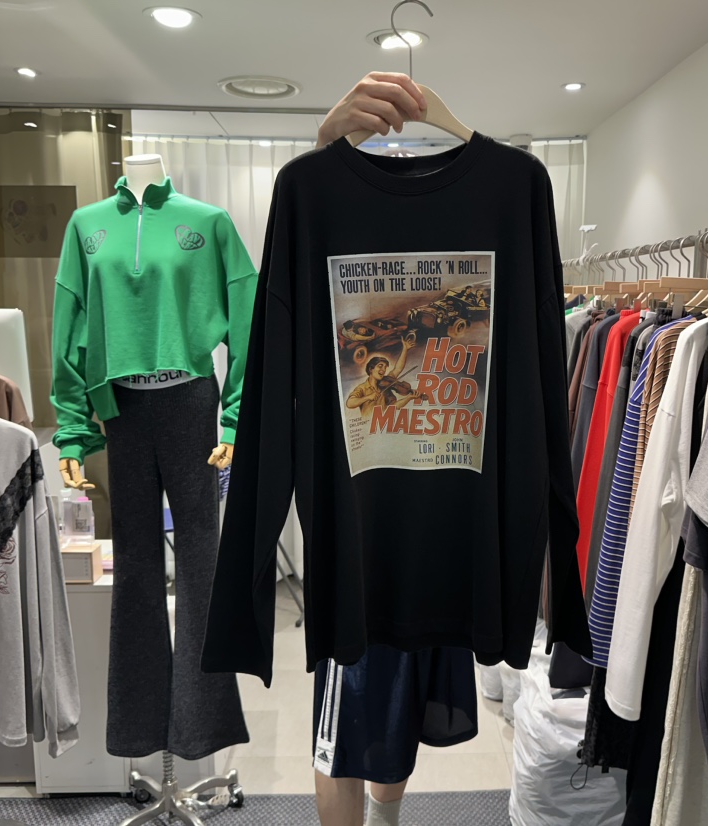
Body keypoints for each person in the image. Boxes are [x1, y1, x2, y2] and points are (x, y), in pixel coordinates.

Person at [313, 73, 479, 826]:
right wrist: (324, 150)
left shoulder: (500, 196)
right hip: (358, 532)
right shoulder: (318, 200)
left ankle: (387, 819)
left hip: (445, 521)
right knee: (346, 725)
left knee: (400, 710)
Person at [346, 337, 419, 418]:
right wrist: (368, 397)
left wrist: (409, 398)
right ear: (371, 369)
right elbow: (349, 403)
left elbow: (398, 369)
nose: (383, 370)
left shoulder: (386, 382)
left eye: (385, 367)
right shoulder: (362, 388)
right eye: (380, 366)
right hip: (369, 424)